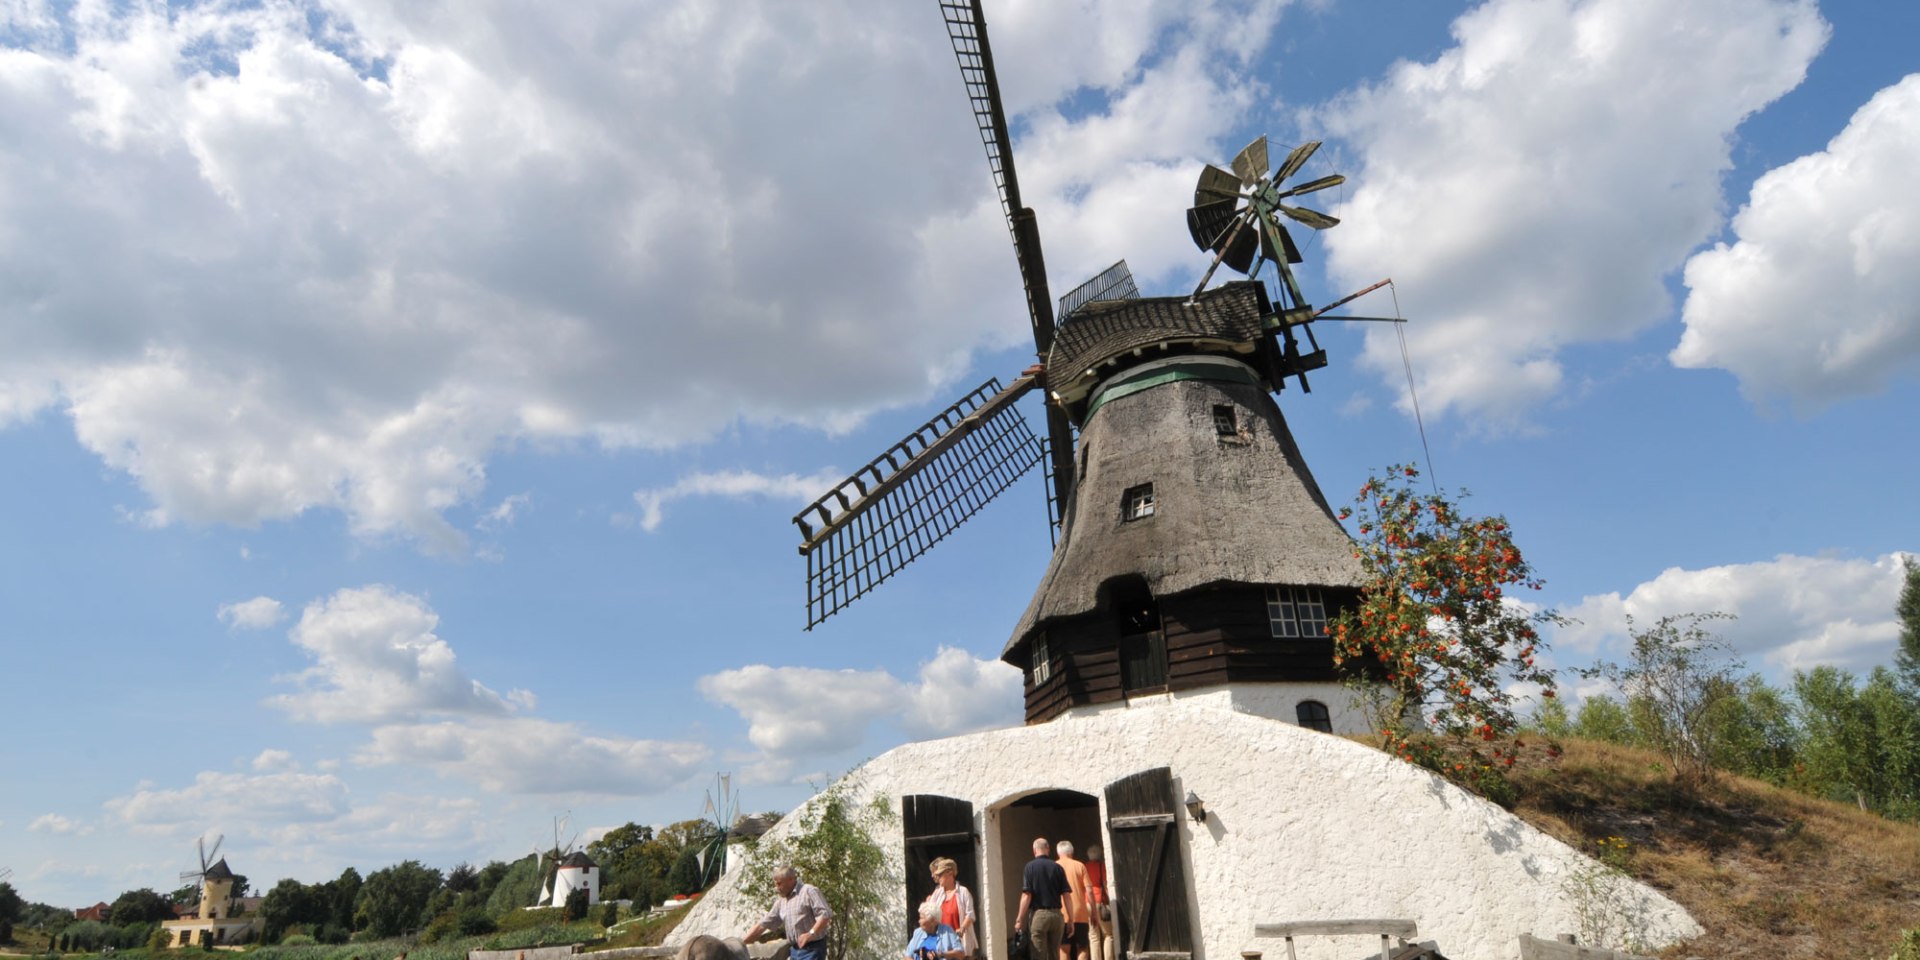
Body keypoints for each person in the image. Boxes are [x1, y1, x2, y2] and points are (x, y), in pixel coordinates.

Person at [742, 865, 834, 960]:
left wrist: (810, 934)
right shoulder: (781, 901)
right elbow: (763, 924)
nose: (777, 888)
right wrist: (741, 943)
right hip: (794, 950)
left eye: (779, 884)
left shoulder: (808, 891)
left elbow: (825, 915)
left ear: (791, 880)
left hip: (812, 949)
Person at [1013, 838, 1071, 960]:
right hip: (1056, 916)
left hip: (1038, 916)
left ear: (1034, 850)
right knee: (1054, 954)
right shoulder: (1058, 868)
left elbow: (1026, 895)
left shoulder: (1030, 867)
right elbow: (1066, 895)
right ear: (1048, 850)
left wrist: (1019, 919)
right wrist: (1070, 919)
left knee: (1038, 954)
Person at [924, 857, 978, 957]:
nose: (937, 877)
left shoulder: (963, 892)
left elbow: (970, 915)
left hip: (960, 944)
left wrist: (962, 928)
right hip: (943, 945)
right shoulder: (937, 894)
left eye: (940, 874)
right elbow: (929, 914)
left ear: (950, 873)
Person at [1054, 842, 1091, 960]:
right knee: (1082, 947)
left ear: (1058, 852)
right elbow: (1089, 891)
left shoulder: (1053, 867)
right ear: (1072, 852)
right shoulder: (1080, 865)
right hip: (1080, 913)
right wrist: (1094, 912)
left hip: (1061, 913)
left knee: (1064, 949)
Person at [1085, 845, 1114, 960]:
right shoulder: (1102, 866)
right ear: (1100, 854)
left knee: (1093, 936)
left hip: (1087, 902)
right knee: (1108, 935)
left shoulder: (1084, 867)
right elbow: (1106, 884)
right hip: (1100, 901)